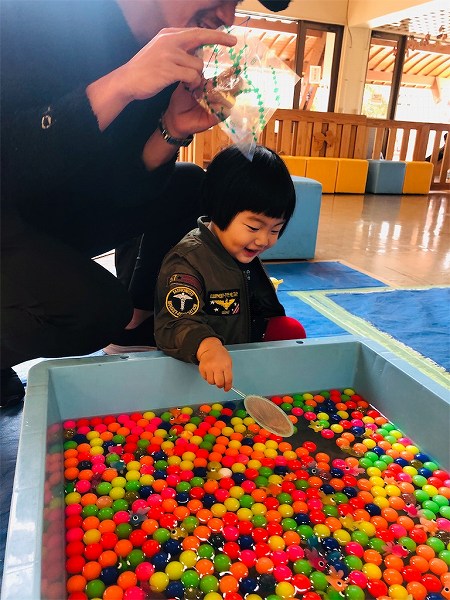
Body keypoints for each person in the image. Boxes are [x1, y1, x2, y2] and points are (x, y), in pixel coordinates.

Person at [0, 0, 292, 408]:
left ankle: (136, 324)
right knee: (94, 309)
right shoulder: (35, 17)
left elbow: (120, 190)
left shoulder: (166, 58)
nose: (228, 15)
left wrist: (170, 129)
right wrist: (119, 85)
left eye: (237, 4)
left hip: (53, 212)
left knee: (188, 184)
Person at [154, 145, 306, 392]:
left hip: (238, 353)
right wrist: (207, 346)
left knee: (290, 330)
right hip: (196, 367)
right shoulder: (188, 261)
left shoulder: (239, 250)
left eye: (276, 230)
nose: (264, 240)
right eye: (254, 228)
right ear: (219, 208)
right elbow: (175, 324)